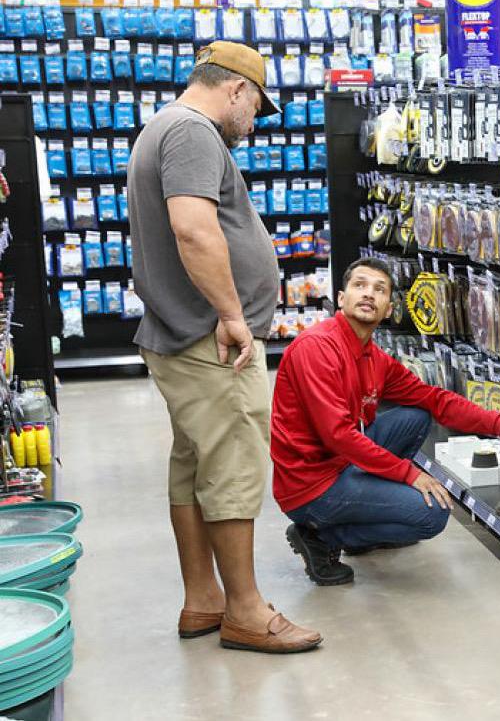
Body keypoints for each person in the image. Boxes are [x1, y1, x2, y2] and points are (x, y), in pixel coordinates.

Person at [129, 41, 321, 653]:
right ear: (236, 88)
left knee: (195, 467)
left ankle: (203, 599)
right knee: (234, 467)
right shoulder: (192, 132)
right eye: (256, 109)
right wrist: (232, 315)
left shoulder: (164, 126)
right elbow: (193, 226)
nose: (253, 125)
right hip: (208, 342)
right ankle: (244, 610)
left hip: (180, 334)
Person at [271, 257, 500, 586]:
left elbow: (435, 399)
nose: (368, 294)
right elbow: (338, 436)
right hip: (310, 485)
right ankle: (322, 535)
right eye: (359, 285)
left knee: (415, 416)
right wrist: (409, 475)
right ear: (341, 297)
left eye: (379, 290)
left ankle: (361, 515)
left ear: (389, 308)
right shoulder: (317, 348)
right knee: (431, 513)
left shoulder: (374, 358)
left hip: (339, 463)